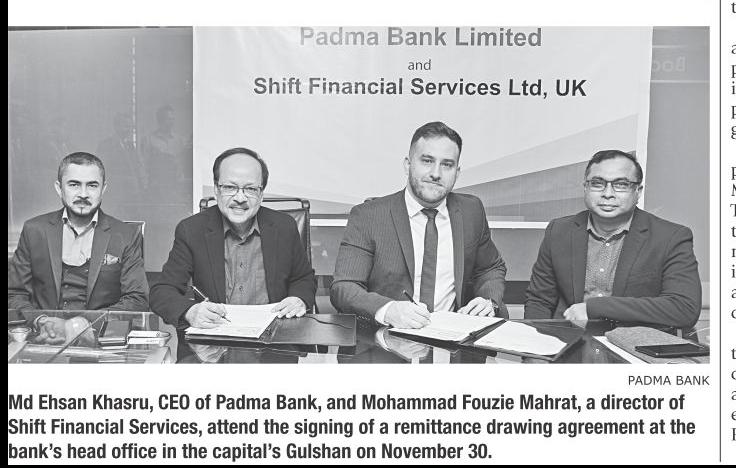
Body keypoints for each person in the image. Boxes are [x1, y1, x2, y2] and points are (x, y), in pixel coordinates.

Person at [330, 121, 508, 329]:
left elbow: (490, 267)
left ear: (457, 172)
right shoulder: (368, 216)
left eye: (447, 165)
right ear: (408, 165)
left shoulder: (471, 211)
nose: (436, 173)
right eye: (427, 161)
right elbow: (344, 287)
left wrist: (488, 301)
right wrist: (388, 310)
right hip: (388, 337)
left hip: (453, 337)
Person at [524, 149, 702, 329]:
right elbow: (539, 301)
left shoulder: (670, 237)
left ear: (638, 191)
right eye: (597, 183)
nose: (607, 193)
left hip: (634, 343)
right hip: (568, 341)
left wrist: (596, 308)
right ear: (585, 187)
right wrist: (534, 343)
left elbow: (684, 308)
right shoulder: (559, 231)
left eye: (621, 184)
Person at [149, 147, 316, 329]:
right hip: (215, 335)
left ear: (261, 194)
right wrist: (190, 311)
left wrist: (299, 299)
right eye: (230, 187)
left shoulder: (284, 227)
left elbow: (304, 278)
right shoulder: (191, 230)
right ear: (216, 189)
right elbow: (162, 291)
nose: (240, 198)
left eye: (250, 189)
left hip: (274, 334)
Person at [8, 151, 149, 312]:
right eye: (74, 184)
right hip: (46, 327)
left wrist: (88, 322)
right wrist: (41, 321)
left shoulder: (125, 235)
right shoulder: (34, 231)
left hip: (100, 327)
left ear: (103, 189)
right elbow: (14, 294)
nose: (83, 194)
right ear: (59, 188)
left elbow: (138, 299)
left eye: (92, 185)